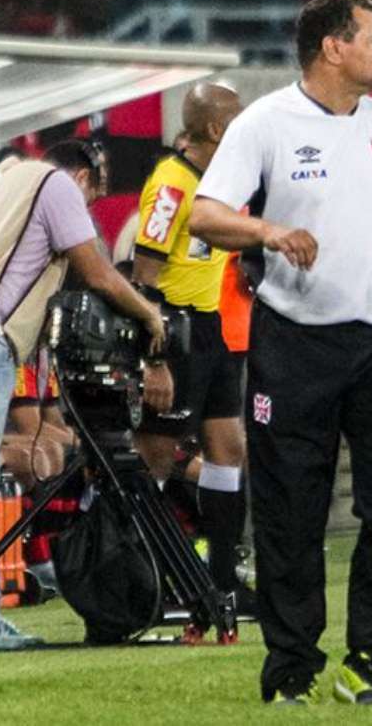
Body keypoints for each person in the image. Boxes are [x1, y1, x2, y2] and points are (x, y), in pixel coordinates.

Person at [189, 0, 372, 705]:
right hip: (292, 343)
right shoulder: (265, 124)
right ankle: (291, 668)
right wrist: (267, 233)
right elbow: (206, 215)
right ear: (334, 47)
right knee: (290, 513)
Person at [0, 140, 168, 651]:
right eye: (92, 199)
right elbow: (98, 271)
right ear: (82, 177)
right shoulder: (54, 183)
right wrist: (148, 313)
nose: (86, 214)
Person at [131, 82, 256, 622]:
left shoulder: (215, 185)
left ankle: (221, 583)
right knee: (154, 460)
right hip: (172, 330)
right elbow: (143, 274)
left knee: (228, 450)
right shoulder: (171, 185)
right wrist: (153, 358)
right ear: (215, 130)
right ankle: (145, 580)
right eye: (238, 120)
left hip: (209, 329)